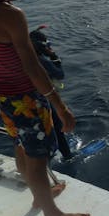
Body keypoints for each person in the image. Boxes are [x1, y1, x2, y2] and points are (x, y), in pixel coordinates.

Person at [0, 0, 89, 216]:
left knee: (22, 146)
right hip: (26, 98)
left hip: (4, 99)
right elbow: (32, 66)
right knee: (38, 157)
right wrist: (60, 106)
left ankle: (41, 196)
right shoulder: (11, 15)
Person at [30, 25, 72, 159]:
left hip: (23, 101)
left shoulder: (23, 57)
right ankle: (67, 156)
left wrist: (37, 32)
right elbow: (60, 75)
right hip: (43, 99)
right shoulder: (42, 61)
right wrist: (54, 57)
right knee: (57, 126)